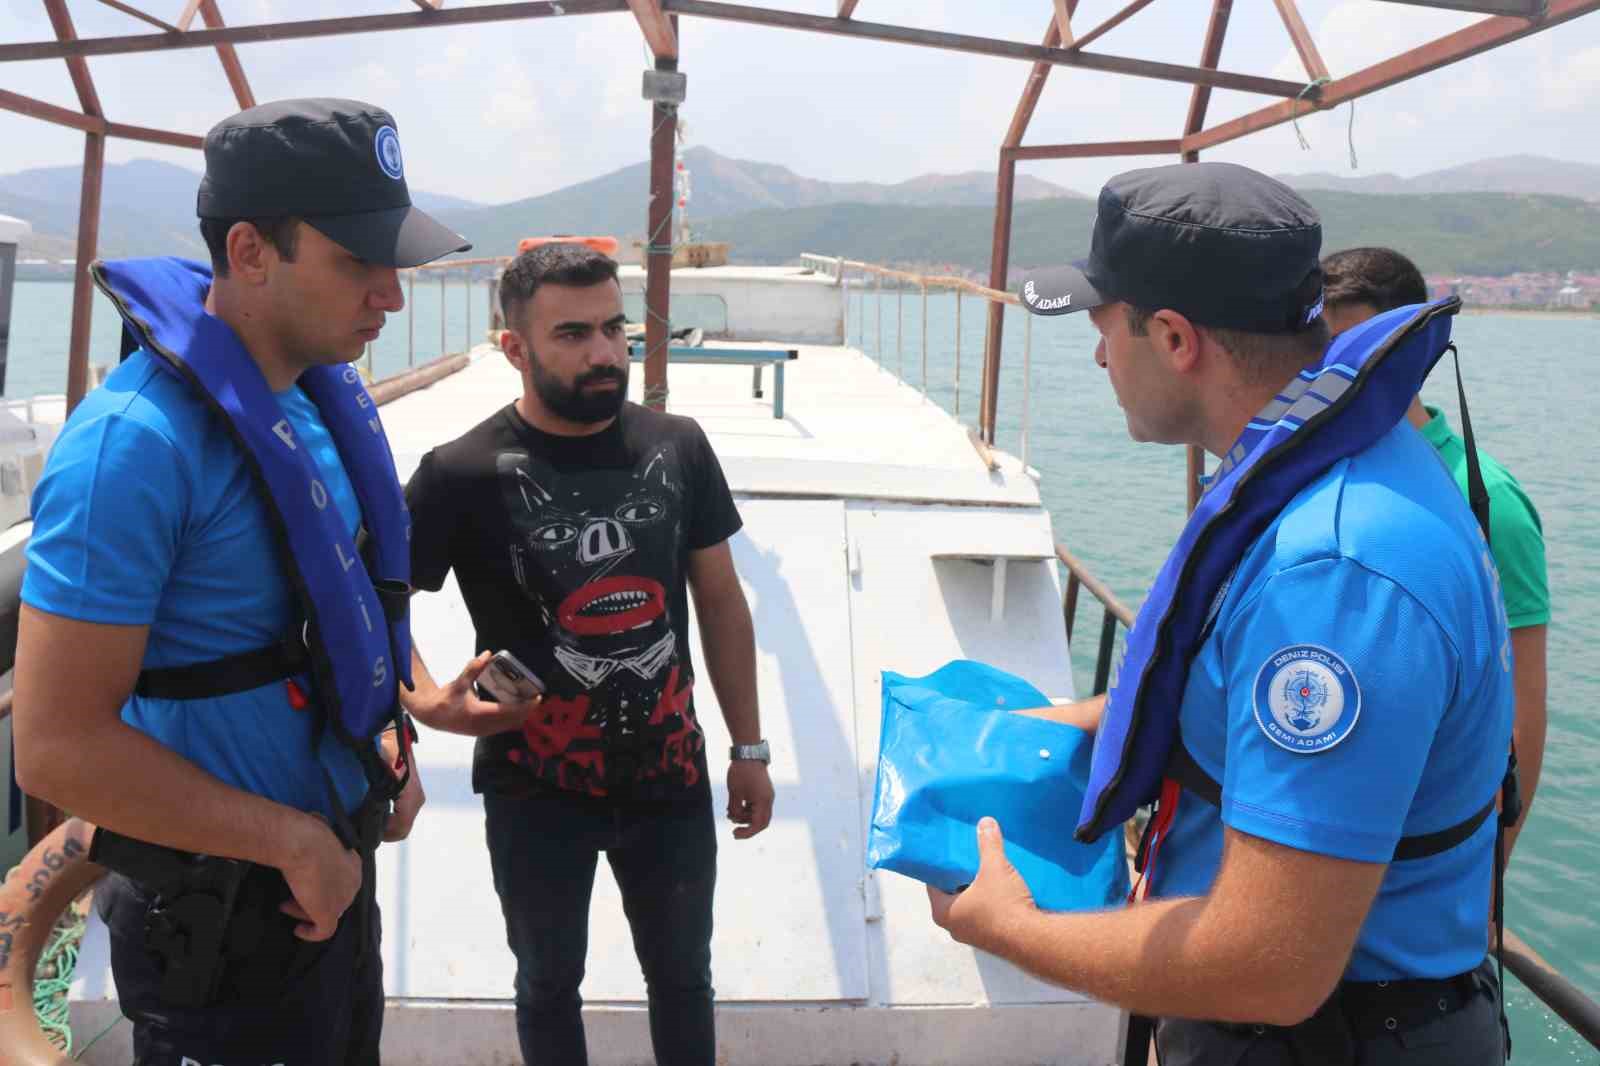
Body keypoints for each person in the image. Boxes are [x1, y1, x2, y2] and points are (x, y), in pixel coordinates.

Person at [928, 162, 1515, 1065]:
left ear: (1171, 338)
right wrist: (1048, 730)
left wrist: (1006, 926)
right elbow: (1224, 700)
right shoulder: (1335, 480)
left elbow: (1268, 968)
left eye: (1102, 329)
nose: (1097, 358)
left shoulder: (1333, 572)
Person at [12, 98, 469, 1065]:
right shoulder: (133, 448)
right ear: (253, 252)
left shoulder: (307, 403)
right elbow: (53, 748)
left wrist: (393, 726)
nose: (391, 294)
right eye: (358, 260)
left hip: (335, 890)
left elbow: (346, 595)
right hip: (217, 929)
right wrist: (289, 843)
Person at [401, 242, 774, 1066]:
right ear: (515, 349)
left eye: (614, 327)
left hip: (670, 777)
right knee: (545, 983)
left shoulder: (677, 446)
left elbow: (719, 597)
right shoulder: (459, 472)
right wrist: (426, 702)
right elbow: (374, 601)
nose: (605, 353)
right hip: (534, 784)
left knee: (684, 981)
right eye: (573, 334)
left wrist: (749, 749)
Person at [1322, 246, 1549, 862]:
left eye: (1359, 348)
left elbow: (1523, 708)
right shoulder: (1320, 471)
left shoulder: (1489, 501)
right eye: (1323, 349)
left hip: (1429, 852)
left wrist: (1490, 874)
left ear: (1411, 351)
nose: (1336, 369)